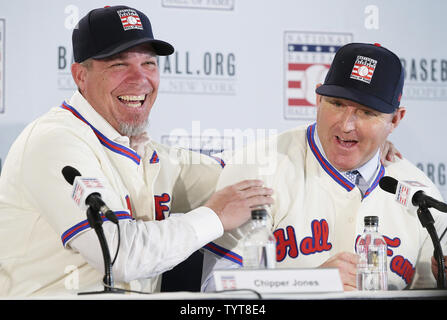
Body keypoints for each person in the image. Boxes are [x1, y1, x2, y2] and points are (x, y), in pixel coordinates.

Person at [0, 5, 274, 296]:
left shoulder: (140, 149)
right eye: (119, 64)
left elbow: (239, 176)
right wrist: (215, 216)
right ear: (80, 75)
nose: (140, 79)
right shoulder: (55, 140)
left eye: (149, 64)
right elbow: (120, 255)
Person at [201, 43, 447, 291]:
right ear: (318, 98)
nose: (346, 125)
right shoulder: (258, 168)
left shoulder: (420, 193)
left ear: (395, 119)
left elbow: (429, 290)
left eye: (366, 112)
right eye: (337, 104)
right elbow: (215, 289)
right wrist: (314, 283)